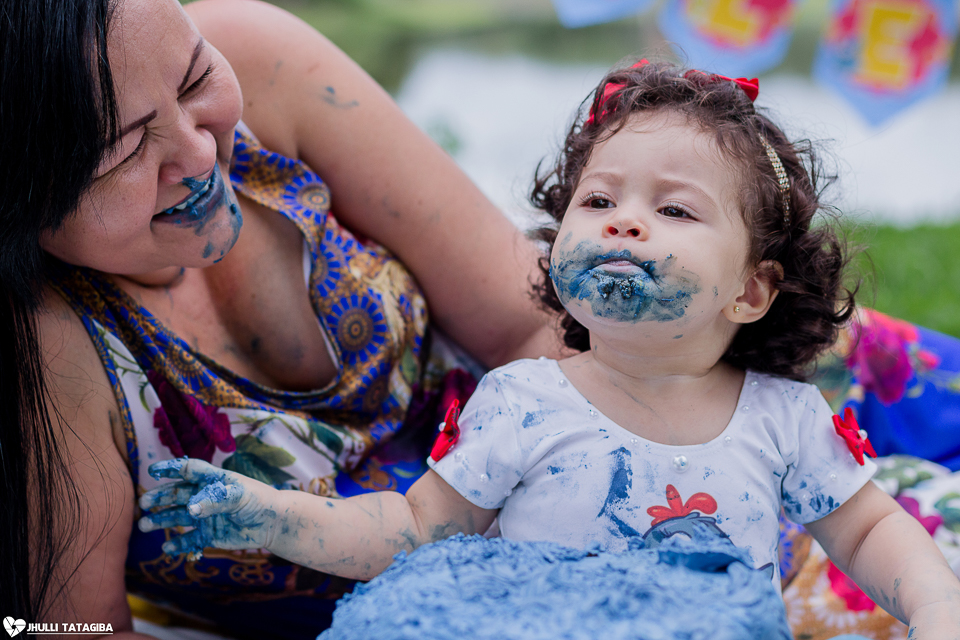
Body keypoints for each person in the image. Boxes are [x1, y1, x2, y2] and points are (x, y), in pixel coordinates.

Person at [141, 61, 960, 638]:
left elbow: (867, 531)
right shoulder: (522, 401)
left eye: (675, 211)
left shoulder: (782, 417)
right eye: (599, 199)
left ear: (750, 289)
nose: (623, 221)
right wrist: (271, 515)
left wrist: (935, 608)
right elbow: (409, 531)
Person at [0, 0, 565, 637]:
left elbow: (533, 325)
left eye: (194, 79)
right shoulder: (42, 342)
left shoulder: (259, 57)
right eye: (126, 151)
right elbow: (68, 633)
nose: (201, 154)